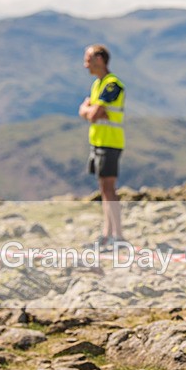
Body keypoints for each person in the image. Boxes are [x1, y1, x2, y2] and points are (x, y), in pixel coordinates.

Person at [79, 44, 126, 248]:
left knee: (109, 189)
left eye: (88, 59)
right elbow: (89, 113)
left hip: (110, 142)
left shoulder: (112, 84)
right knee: (104, 189)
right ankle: (107, 235)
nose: (85, 64)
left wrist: (87, 109)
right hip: (98, 142)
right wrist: (88, 110)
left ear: (100, 59)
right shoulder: (98, 84)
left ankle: (118, 236)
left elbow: (92, 113)